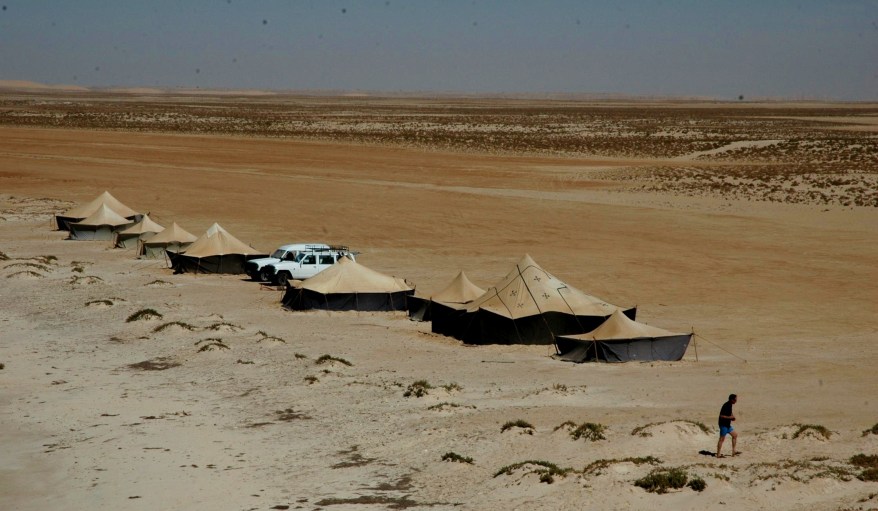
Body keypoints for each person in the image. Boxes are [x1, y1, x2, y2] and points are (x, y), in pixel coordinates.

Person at [716, 393, 738, 458]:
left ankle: (734, 451)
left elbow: (730, 412)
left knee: (735, 435)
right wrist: (730, 418)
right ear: (732, 400)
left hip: (728, 425)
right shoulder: (726, 405)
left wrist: (732, 416)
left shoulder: (730, 404)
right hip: (723, 425)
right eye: (735, 400)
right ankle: (718, 454)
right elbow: (721, 416)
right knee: (721, 439)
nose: (736, 401)